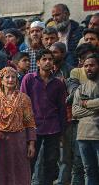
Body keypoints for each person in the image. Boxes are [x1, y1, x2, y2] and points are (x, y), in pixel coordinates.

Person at [20, 49, 67, 185]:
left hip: (53, 127)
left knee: (51, 162)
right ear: (38, 62)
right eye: (44, 59)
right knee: (29, 160)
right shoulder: (29, 79)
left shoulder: (58, 83)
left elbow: (62, 108)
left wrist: (62, 132)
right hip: (33, 126)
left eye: (50, 59)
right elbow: (23, 104)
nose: (48, 62)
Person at [0, 67, 36, 185]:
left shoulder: (24, 99)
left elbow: (29, 122)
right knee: (1, 171)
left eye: (13, 77)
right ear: (1, 80)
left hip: (18, 141)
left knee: (19, 170)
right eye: (7, 77)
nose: (10, 80)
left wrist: (31, 143)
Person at [72, 53, 99, 185]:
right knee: (89, 171)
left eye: (92, 65)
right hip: (83, 136)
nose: (88, 68)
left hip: (97, 135)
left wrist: (87, 104)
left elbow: (81, 107)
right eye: (86, 66)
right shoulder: (81, 88)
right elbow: (75, 111)